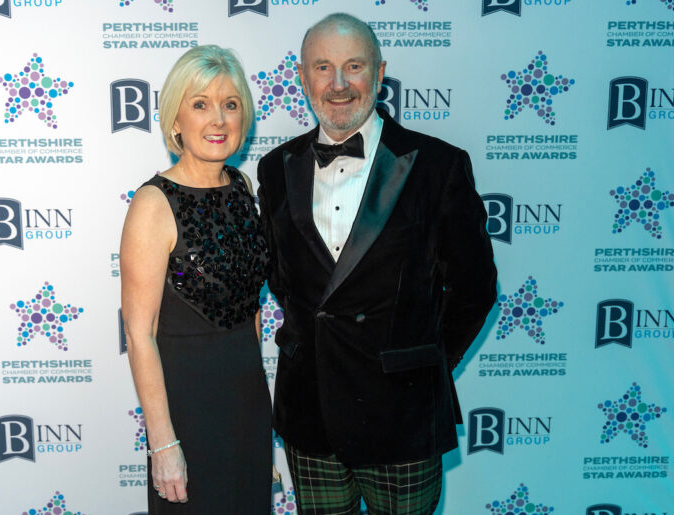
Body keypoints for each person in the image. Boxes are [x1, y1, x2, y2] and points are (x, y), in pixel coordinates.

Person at [257, 13, 497, 514]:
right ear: (303, 77)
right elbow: (283, 279)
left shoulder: (439, 165)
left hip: (402, 416)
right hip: (310, 415)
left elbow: (474, 289)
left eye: (354, 66)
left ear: (380, 71)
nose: (339, 84)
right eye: (323, 67)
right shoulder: (275, 169)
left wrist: (420, 366)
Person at [120, 45, 271, 513]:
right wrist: (163, 443)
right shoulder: (153, 204)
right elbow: (139, 334)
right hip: (188, 410)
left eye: (231, 105)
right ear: (175, 120)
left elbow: (251, 309)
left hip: (248, 403)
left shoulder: (242, 189)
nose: (219, 120)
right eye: (201, 104)